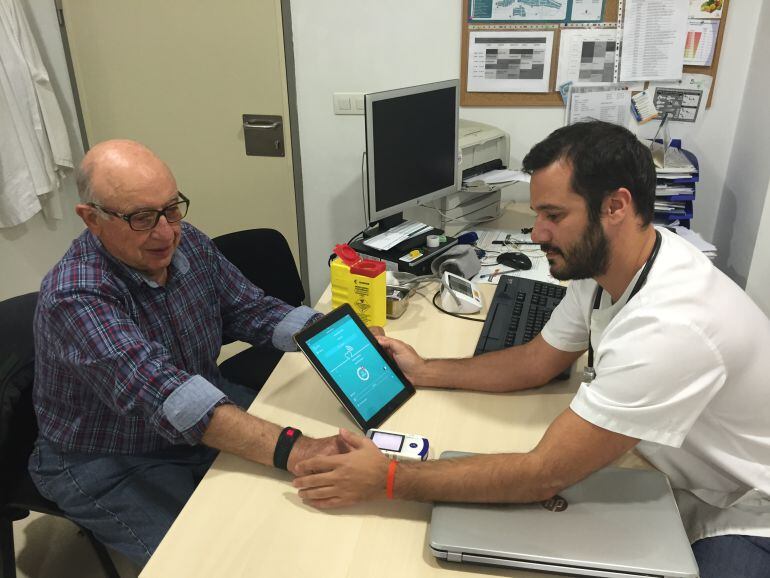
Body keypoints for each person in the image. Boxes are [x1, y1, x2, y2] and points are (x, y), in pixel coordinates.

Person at [293, 121, 770, 577]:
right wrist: (424, 370)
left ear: (616, 206)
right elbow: (536, 361)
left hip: (744, 508)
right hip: (668, 473)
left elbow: (542, 475)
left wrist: (388, 478)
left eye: (553, 215)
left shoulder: (673, 326)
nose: (537, 233)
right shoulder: (616, 263)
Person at [29, 140, 343, 566]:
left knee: (314, 505)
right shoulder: (76, 294)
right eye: (141, 218)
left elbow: (250, 308)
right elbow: (167, 395)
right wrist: (299, 449)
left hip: (203, 404)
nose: (165, 233)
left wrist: (340, 339)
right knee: (212, 561)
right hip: (111, 456)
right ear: (92, 219)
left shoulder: (185, 241)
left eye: (171, 209)